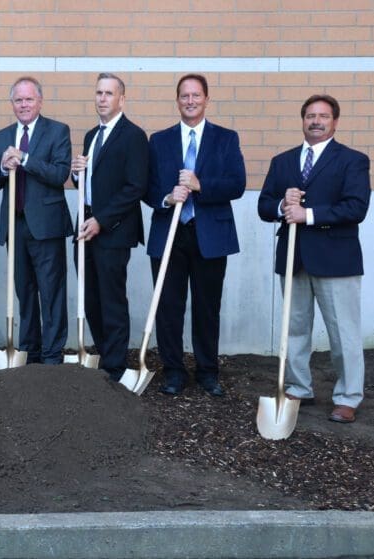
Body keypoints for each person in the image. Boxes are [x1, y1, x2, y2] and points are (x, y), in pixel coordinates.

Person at [258, 94, 370, 424]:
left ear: (335, 121)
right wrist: (282, 205)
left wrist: (307, 214)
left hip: (336, 259)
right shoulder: (283, 161)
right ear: (302, 120)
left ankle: (348, 396)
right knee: (294, 329)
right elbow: (264, 205)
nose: (316, 121)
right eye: (310, 115)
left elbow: (356, 208)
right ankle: (297, 387)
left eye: (322, 116)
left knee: (343, 332)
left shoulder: (352, 160)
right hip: (294, 258)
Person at [145, 74, 246, 397]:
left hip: (210, 235)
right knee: (168, 306)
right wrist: (167, 197)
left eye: (196, 95)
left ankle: (207, 371)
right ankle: (173, 371)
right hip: (170, 233)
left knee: (206, 306)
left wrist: (202, 185)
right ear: (177, 101)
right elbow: (146, 187)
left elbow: (237, 184)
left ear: (206, 99)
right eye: (184, 96)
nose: (190, 101)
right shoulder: (159, 140)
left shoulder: (226, 138)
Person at [0, 76, 73, 364]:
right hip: (15, 224)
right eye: (18, 100)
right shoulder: (2, 136)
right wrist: (2, 165)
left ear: (40, 101)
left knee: (51, 292)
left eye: (29, 99)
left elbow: (60, 174)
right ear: (12, 104)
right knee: (24, 291)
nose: (24, 104)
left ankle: (52, 354)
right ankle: (29, 351)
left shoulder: (57, 131)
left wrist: (24, 159)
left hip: (46, 226)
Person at [71, 73, 148, 380]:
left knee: (111, 298)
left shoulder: (133, 136)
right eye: (99, 93)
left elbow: (135, 186)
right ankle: (105, 355)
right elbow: (88, 182)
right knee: (91, 298)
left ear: (121, 99)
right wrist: (77, 174)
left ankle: (114, 367)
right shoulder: (91, 135)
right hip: (85, 225)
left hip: (113, 230)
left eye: (109, 94)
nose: (102, 98)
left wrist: (102, 220)